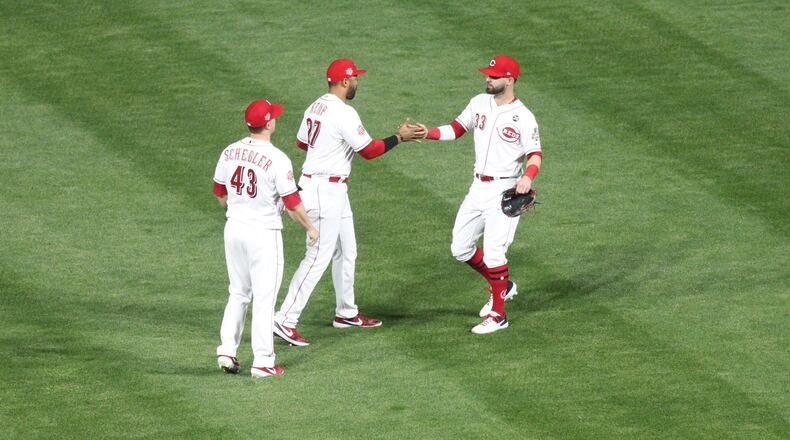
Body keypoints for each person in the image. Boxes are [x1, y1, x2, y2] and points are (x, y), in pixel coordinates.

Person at [273, 58, 425, 346]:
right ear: (344, 81)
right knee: (317, 257)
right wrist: (399, 137)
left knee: (347, 250)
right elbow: (369, 151)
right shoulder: (344, 113)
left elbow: (302, 143)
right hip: (323, 191)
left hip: (331, 189)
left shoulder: (315, 106)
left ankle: (346, 312)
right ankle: (285, 319)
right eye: (355, 78)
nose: (357, 82)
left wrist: (331, 147)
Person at [416, 55, 543, 334]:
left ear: (509, 80)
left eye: (494, 76)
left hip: (505, 188)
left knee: (496, 252)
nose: (488, 79)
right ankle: (503, 286)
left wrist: (527, 177)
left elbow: (534, 154)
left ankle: (499, 315)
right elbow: (456, 129)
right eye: (487, 74)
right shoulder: (478, 103)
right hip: (477, 188)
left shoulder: (524, 116)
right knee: (460, 248)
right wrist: (428, 133)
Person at [213, 99, 319, 378]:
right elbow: (293, 203)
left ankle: (227, 350)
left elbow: (221, 196)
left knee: (238, 292)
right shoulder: (277, 158)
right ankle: (263, 362)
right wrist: (310, 228)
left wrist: (241, 205)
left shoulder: (229, 151)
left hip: (233, 229)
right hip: (263, 234)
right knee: (264, 298)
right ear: (269, 123)